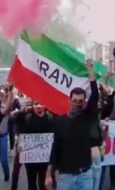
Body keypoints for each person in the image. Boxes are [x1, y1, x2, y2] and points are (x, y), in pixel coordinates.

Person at [46, 59, 98, 190]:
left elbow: (95, 95)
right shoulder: (60, 121)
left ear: (84, 102)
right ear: (70, 100)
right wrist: (48, 174)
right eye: (75, 100)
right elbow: (55, 148)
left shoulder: (86, 117)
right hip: (65, 177)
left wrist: (90, 71)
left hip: (85, 176)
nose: (77, 103)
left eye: (80, 101)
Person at [17, 101, 55, 190]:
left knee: (43, 183)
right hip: (31, 160)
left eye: (41, 104)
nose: (39, 107)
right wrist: (19, 144)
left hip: (45, 159)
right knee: (31, 183)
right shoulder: (28, 118)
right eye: (36, 104)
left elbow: (55, 136)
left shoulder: (51, 119)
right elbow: (21, 133)